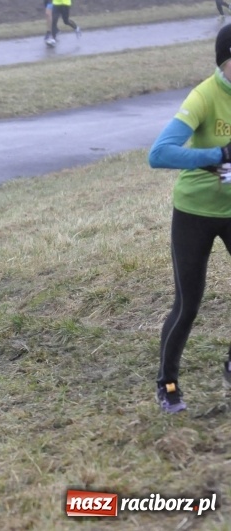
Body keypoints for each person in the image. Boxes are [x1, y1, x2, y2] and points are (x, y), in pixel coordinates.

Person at [148, 24, 231, 413]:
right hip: (194, 213)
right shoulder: (204, 96)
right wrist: (217, 155)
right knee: (188, 304)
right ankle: (167, 384)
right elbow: (159, 153)